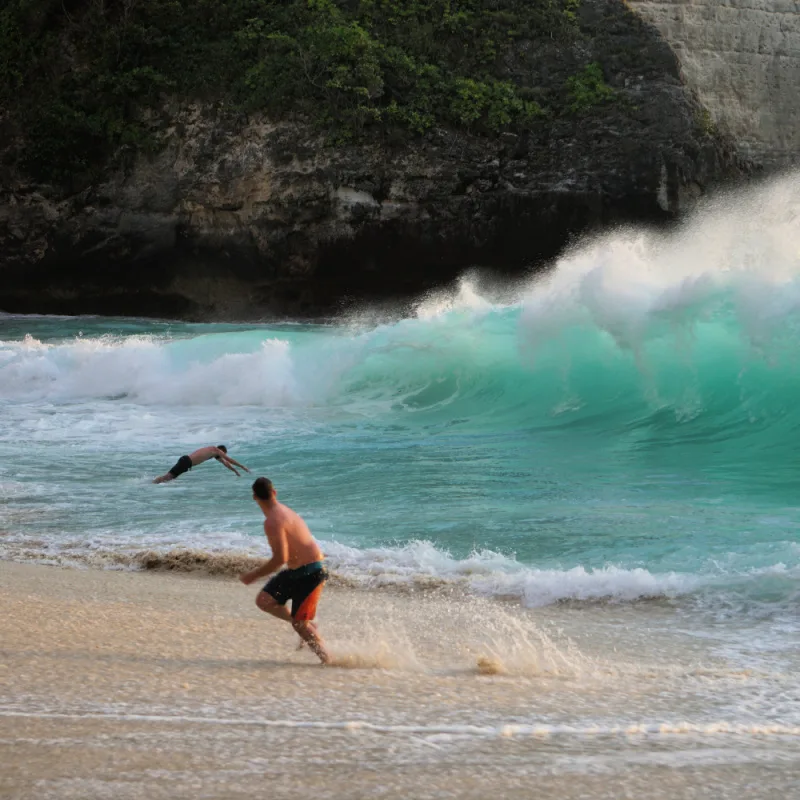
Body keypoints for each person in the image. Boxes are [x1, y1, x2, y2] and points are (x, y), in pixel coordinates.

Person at [239, 477, 330, 664]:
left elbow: (280, 559)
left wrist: (253, 575)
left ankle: (328, 660)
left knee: (299, 624)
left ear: (255, 497)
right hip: (297, 571)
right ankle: (309, 625)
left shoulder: (273, 520)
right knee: (264, 600)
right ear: (274, 492)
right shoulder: (284, 511)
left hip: (311, 572)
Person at [153, 445, 250, 484]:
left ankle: (153, 482)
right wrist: (242, 466)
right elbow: (229, 460)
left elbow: (226, 463)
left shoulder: (214, 454)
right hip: (186, 462)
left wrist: (235, 471)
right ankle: (151, 483)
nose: (223, 455)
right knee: (168, 477)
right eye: (223, 453)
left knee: (169, 478)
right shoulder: (215, 450)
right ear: (221, 450)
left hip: (185, 462)